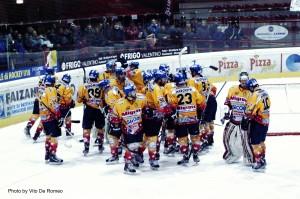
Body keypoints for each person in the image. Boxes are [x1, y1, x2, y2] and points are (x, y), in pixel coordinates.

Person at [168, 72, 206, 165]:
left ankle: (185, 155)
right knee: (195, 137)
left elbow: (171, 106)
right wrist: (200, 112)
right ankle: (196, 154)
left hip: (180, 120)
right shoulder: (193, 89)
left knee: (182, 138)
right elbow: (201, 102)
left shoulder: (173, 92)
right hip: (193, 118)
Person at [111, 83, 146, 174]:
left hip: (139, 127)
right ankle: (127, 165)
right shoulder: (119, 104)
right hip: (127, 128)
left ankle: (134, 157)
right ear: (128, 94)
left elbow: (146, 108)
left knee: (139, 145)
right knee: (132, 146)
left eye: (135, 91)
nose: (135, 93)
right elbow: (113, 116)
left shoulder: (141, 98)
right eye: (133, 92)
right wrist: (116, 124)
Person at [222, 72, 253, 164]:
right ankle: (232, 154)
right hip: (233, 120)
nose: (244, 82)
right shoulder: (232, 89)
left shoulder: (251, 92)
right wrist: (226, 112)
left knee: (245, 142)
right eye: (242, 80)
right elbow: (227, 103)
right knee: (227, 139)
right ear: (239, 80)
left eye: (245, 80)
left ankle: (248, 158)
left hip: (245, 123)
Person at [242, 78, 271, 170]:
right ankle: (263, 159)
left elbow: (249, 110)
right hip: (266, 121)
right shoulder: (265, 92)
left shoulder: (255, 95)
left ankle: (258, 161)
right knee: (261, 141)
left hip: (258, 122)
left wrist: (245, 118)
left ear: (251, 87)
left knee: (255, 143)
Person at [187, 64, 217, 149]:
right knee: (210, 120)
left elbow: (192, 93)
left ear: (193, 72)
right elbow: (214, 89)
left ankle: (204, 139)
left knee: (202, 122)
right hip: (212, 100)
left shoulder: (192, 80)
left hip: (202, 102)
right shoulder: (205, 78)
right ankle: (210, 138)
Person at [77, 70, 105, 156]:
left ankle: (86, 147)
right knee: (100, 127)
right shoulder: (101, 85)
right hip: (99, 110)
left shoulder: (84, 86)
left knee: (86, 128)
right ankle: (100, 145)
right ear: (97, 77)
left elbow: (78, 100)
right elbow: (104, 98)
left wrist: (86, 100)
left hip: (88, 110)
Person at [39, 75, 63, 164]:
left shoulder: (42, 90)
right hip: (51, 117)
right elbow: (53, 104)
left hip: (43, 118)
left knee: (48, 136)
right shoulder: (51, 90)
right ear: (53, 83)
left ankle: (47, 155)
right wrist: (59, 115)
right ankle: (52, 156)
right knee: (54, 137)